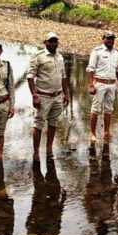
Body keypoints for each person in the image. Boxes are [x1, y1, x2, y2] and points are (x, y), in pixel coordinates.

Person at [27, 31, 70, 161]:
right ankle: (36, 152)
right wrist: (34, 95)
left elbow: (63, 77)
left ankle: (49, 149)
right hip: (43, 96)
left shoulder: (60, 57)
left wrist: (66, 94)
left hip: (57, 96)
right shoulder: (38, 56)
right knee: (39, 124)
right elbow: (30, 77)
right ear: (45, 43)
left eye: (55, 41)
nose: (53, 43)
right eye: (50, 41)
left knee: (53, 123)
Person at [86, 31, 118, 142]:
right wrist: (91, 85)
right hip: (99, 83)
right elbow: (90, 69)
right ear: (103, 38)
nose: (110, 41)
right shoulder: (97, 51)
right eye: (108, 38)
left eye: (112, 39)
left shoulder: (116, 52)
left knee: (109, 109)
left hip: (112, 84)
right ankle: (92, 133)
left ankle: (106, 131)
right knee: (95, 109)